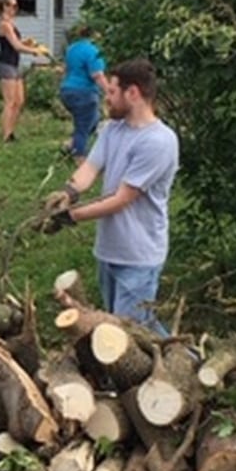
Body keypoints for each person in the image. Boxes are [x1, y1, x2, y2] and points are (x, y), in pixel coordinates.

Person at [41, 58, 179, 333]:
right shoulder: (112, 129)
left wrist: (69, 217)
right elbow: (90, 168)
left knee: (128, 331)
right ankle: (181, 363)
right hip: (110, 249)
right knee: (128, 328)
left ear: (133, 93)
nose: (106, 98)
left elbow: (121, 199)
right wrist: (68, 193)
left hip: (138, 254)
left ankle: (188, 364)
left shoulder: (159, 141)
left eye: (112, 92)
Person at [0, 0, 50, 142]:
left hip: (14, 64)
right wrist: (35, 51)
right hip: (6, 64)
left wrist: (28, 43)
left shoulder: (11, 24)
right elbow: (16, 46)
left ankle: (11, 131)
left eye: (15, 6)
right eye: (10, 5)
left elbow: (17, 42)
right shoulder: (4, 24)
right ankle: (6, 135)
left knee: (19, 100)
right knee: (9, 102)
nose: (13, 9)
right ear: (4, 6)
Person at [57, 22, 109, 163]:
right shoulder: (92, 51)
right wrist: (109, 92)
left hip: (67, 91)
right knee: (83, 126)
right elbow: (97, 75)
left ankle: (71, 144)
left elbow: (66, 69)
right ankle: (79, 158)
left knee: (94, 119)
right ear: (95, 36)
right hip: (84, 93)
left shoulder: (72, 49)